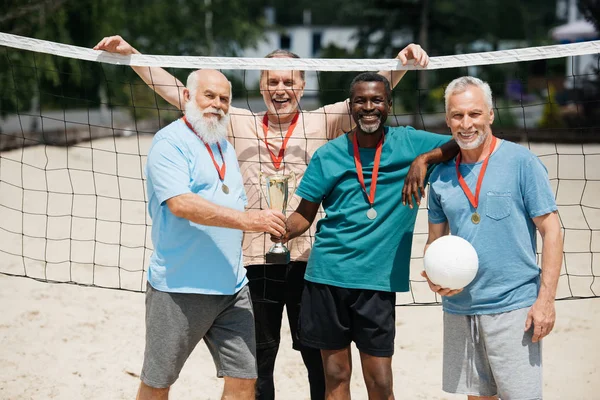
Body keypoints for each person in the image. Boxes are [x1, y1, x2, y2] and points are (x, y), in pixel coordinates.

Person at [94, 35, 430, 400]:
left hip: (307, 262)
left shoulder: (323, 121)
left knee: (318, 361)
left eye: (289, 81)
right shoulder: (237, 122)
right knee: (258, 364)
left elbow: (369, 97)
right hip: (254, 260)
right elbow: (183, 93)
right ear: (262, 86)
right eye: (273, 81)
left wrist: (400, 64)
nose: (281, 88)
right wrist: (133, 56)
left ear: (303, 85)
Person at [279, 72, 457, 399]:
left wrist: (425, 158)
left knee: (380, 383)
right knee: (336, 378)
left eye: (376, 100)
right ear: (351, 106)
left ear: (389, 104)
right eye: (360, 100)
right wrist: (280, 228)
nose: (368, 107)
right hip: (327, 278)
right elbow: (304, 215)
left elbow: (464, 140)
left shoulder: (410, 142)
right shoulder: (329, 154)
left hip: (377, 283)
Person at [138, 68, 286, 400]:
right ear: (188, 97)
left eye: (224, 98)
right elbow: (181, 204)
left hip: (232, 287)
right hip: (178, 288)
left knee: (245, 380)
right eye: (209, 95)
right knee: (157, 383)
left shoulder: (223, 146)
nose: (217, 104)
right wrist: (250, 221)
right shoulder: (169, 142)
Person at [423, 76, 563, 400]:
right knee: (477, 398)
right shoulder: (442, 177)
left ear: (490, 115)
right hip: (460, 307)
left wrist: (546, 302)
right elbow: (434, 242)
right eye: (457, 115)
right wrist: (434, 277)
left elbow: (552, 231)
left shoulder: (521, 162)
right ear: (447, 119)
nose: (466, 123)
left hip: (513, 306)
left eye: (474, 114)